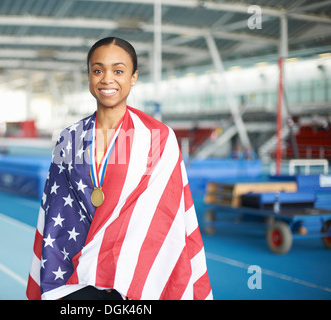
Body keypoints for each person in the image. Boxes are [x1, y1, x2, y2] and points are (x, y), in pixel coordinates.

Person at [26, 37, 212, 300]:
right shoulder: (69, 138)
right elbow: (57, 212)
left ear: (134, 77)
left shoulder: (158, 137)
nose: (107, 79)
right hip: (78, 276)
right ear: (89, 76)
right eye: (98, 70)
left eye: (119, 70)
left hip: (135, 276)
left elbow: (169, 213)